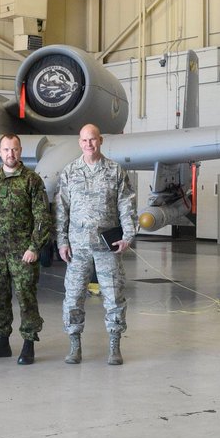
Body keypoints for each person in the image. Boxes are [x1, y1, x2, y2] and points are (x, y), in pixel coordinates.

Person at [56, 123, 137, 366]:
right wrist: (62, 241)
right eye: (84, 140)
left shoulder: (115, 170)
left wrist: (128, 236)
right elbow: (61, 209)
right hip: (78, 246)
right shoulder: (70, 171)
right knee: (73, 297)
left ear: (100, 140)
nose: (89, 144)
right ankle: (74, 344)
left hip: (107, 246)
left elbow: (126, 205)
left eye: (92, 139)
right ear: (79, 143)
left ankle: (114, 345)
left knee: (113, 296)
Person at [0, 133, 52, 365]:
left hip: (23, 253)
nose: (11, 153)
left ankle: (28, 344)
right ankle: (2, 342)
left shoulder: (31, 180)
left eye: (15, 149)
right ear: (0, 152)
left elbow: (42, 217)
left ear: (21, 151)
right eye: (7, 149)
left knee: (26, 297)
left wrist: (34, 247)